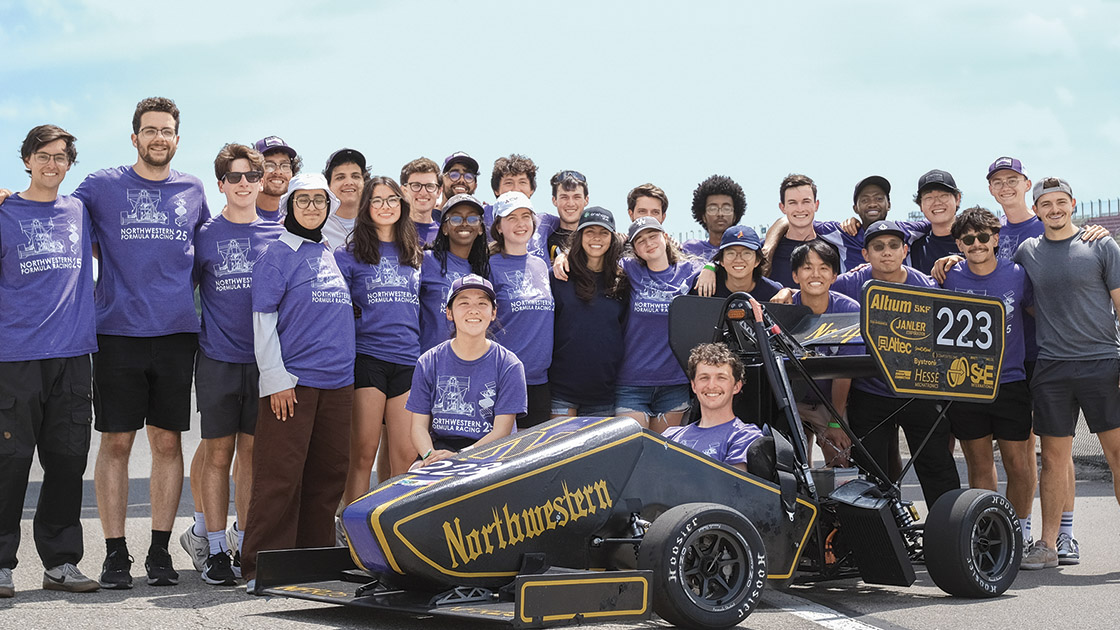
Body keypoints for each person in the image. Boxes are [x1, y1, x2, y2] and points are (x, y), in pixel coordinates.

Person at [63, 97, 208, 590]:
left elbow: (207, 248)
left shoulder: (193, 188)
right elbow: (57, 212)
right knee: (117, 441)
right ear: (134, 138)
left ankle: (161, 551)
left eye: (166, 130)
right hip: (117, 332)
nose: (158, 138)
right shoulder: (101, 186)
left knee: (167, 442)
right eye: (149, 130)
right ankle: (115, 552)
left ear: (177, 138)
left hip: (176, 333)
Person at [241, 173, 355, 590]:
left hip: (338, 383)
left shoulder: (329, 253)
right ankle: (262, 567)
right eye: (302, 200)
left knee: (328, 475)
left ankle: (313, 564)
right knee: (280, 477)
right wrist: (275, 379)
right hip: (293, 384)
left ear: (329, 207)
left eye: (319, 201)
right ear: (289, 205)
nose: (311, 207)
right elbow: (263, 321)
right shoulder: (276, 254)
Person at [0, 125, 99, 597]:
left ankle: (60, 563)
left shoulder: (80, 211)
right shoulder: (5, 212)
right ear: (26, 160)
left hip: (73, 356)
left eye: (61, 157)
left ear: (69, 164)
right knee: (9, 461)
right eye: (43, 155)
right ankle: (0, 564)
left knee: (67, 461)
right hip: (15, 357)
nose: (52, 164)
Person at [181, 143, 284, 585]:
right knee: (218, 454)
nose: (244, 183)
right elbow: (179, 288)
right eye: (235, 177)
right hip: (218, 360)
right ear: (221, 184)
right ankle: (215, 549)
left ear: (261, 183)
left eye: (251, 176)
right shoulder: (204, 235)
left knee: (253, 456)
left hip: (264, 363)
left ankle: (244, 541)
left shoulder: (278, 235)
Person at [1013, 177, 1120, 570]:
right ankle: (1047, 544)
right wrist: (950, 262)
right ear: (1036, 210)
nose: (1054, 209)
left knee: (1117, 455)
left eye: (1061, 202)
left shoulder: (1101, 245)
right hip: (1052, 368)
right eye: (1046, 204)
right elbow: (1000, 278)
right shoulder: (1027, 251)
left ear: (1072, 204)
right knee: (1053, 460)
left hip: (1102, 363)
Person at [832, 221, 960, 506]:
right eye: (878, 247)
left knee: (937, 467)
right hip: (870, 392)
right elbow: (814, 289)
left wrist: (957, 258)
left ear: (905, 250)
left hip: (919, 391)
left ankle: (947, 528)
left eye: (893, 246)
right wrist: (787, 293)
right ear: (865, 254)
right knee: (871, 477)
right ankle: (883, 533)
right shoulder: (850, 283)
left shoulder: (926, 285)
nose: (886, 252)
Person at [941, 206, 1035, 549]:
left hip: (1010, 381)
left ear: (996, 239)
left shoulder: (1018, 275)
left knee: (1018, 465)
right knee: (980, 465)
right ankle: (990, 533)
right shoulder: (948, 277)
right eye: (968, 240)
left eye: (983, 237)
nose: (977, 244)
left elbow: (1040, 313)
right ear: (959, 245)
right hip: (966, 384)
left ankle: (1019, 532)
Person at [336, 176, 423, 488]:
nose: (386, 206)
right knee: (363, 453)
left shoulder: (415, 254)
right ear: (366, 207)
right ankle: (352, 519)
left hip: (408, 360)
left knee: (406, 455)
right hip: (368, 359)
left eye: (392, 199)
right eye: (377, 200)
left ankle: (394, 520)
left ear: (402, 205)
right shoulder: (348, 255)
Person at [408, 275, 525, 466]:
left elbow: (501, 432)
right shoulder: (428, 361)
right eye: (464, 303)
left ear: (493, 312)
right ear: (449, 312)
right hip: (439, 450)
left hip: (489, 453)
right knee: (412, 476)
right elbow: (418, 427)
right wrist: (430, 456)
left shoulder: (509, 365)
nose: (473, 310)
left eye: (482, 303)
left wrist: (459, 457)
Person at [616, 217, 703, 432]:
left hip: (673, 382)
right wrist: (563, 258)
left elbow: (721, 263)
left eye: (653, 236)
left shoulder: (689, 270)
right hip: (631, 382)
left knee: (662, 450)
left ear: (665, 237)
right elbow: (595, 260)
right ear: (635, 250)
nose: (648, 243)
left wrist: (711, 268)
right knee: (634, 447)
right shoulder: (629, 268)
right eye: (640, 241)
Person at [550, 207, 629, 418]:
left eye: (603, 232)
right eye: (589, 232)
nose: (596, 238)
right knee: (561, 442)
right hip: (562, 389)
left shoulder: (622, 282)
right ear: (579, 236)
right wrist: (562, 256)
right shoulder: (560, 276)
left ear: (612, 238)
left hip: (602, 393)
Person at [788, 241, 860, 467]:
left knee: (840, 457)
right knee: (791, 463)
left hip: (829, 401)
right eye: (807, 267)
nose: (815, 274)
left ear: (834, 276)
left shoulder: (850, 311)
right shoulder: (784, 306)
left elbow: (844, 373)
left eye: (824, 268)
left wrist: (836, 422)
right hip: (791, 400)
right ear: (795, 275)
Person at [487, 191, 555, 428]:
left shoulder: (541, 265)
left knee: (536, 450)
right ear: (499, 227)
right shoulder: (489, 265)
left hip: (538, 381)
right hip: (502, 377)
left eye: (526, 216)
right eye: (511, 218)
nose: (521, 223)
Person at [663, 343, 763, 471]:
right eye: (704, 378)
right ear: (694, 386)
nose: (711, 385)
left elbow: (731, 482)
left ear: (736, 386)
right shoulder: (670, 436)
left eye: (721, 378)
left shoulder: (745, 436)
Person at [419, 194, 491, 355]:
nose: (465, 223)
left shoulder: (482, 270)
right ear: (444, 228)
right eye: (456, 219)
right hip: (429, 358)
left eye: (472, 219)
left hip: (469, 359)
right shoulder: (427, 261)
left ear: (480, 228)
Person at [764, 174, 842, 288]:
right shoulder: (765, 252)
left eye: (806, 201)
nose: (800, 209)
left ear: (816, 205)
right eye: (792, 202)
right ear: (782, 207)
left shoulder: (834, 248)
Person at [690, 225, 782, 300]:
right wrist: (709, 267)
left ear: (757, 260)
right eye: (731, 253)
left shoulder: (773, 292)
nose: (738, 260)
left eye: (746, 253)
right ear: (721, 260)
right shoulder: (704, 287)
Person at [487, 154, 549, 261]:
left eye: (522, 182)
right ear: (496, 190)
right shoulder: (481, 213)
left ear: (531, 189)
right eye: (509, 183)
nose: (516, 189)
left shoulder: (546, 221)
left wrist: (564, 254)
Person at [908, 169, 962, 274]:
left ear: (957, 199)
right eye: (929, 198)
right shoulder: (914, 248)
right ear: (920, 205)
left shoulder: (977, 239)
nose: (937, 202)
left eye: (943, 196)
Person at [681, 175, 746, 261]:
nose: (720, 214)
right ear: (703, 216)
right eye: (713, 209)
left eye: (726, 209)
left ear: (735, 216)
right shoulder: (689, 249)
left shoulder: (748, 249)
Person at [322, 148, 367, 249]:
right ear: (328, 185)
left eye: (355, 176)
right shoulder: (318, 225)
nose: (349, 182)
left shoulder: (377, 222)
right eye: (340, 177)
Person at [253, 136, 301, 222]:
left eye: (285, 166)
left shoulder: (301, 219)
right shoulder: (236, 218)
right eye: (269, 165)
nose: (278, 172)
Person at [546, 170, 590, 260]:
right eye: (564, 197)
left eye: (576, 197)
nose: (570, 203)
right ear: (554, 200)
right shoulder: (544, 240)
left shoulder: (597, 238)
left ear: (586, 200)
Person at [400, 157, 442, 245]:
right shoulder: (391, 232)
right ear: (404, 191)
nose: (423, 193)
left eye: (430, 186)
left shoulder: (446, 236)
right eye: (416, 185)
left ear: (438, 192)